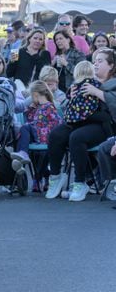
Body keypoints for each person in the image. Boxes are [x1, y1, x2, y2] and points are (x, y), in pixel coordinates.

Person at [46, 48, 116, 202]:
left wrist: (96, 92)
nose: (96, 64)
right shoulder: (86, 80)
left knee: (76, 137)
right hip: (80, 120)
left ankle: (80, 182)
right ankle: (56, 176)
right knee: (56, 135)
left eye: (100, 61)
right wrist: (72, 94)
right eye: (95, 61)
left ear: (111, 65)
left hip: (103, 125)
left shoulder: (113, 83)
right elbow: (72, 104)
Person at [12, 80, 62, 167]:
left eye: (31, 96)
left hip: (44, 136)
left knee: (24, 128)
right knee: (24, 133)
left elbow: (58, 122)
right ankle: (21, 159)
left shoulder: (49, 106)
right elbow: (33, 120)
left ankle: (22, 154)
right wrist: (30, 110)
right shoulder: (38, 107)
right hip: (38, 135)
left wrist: (45, 129)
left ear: (35, 95)